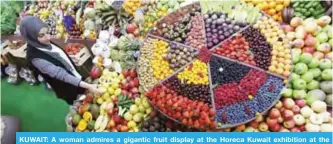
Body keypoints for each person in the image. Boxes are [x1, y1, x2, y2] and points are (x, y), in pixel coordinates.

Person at [20, 16, 101, 105]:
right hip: (68, 88)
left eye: (47, 32)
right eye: (41, 35)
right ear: (31, 37)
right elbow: (61, 75)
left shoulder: (43, 42)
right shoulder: (36, 58)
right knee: (81, 104)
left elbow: (58, 56)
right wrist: (88, 86)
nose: (48, 37)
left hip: (76, 78)